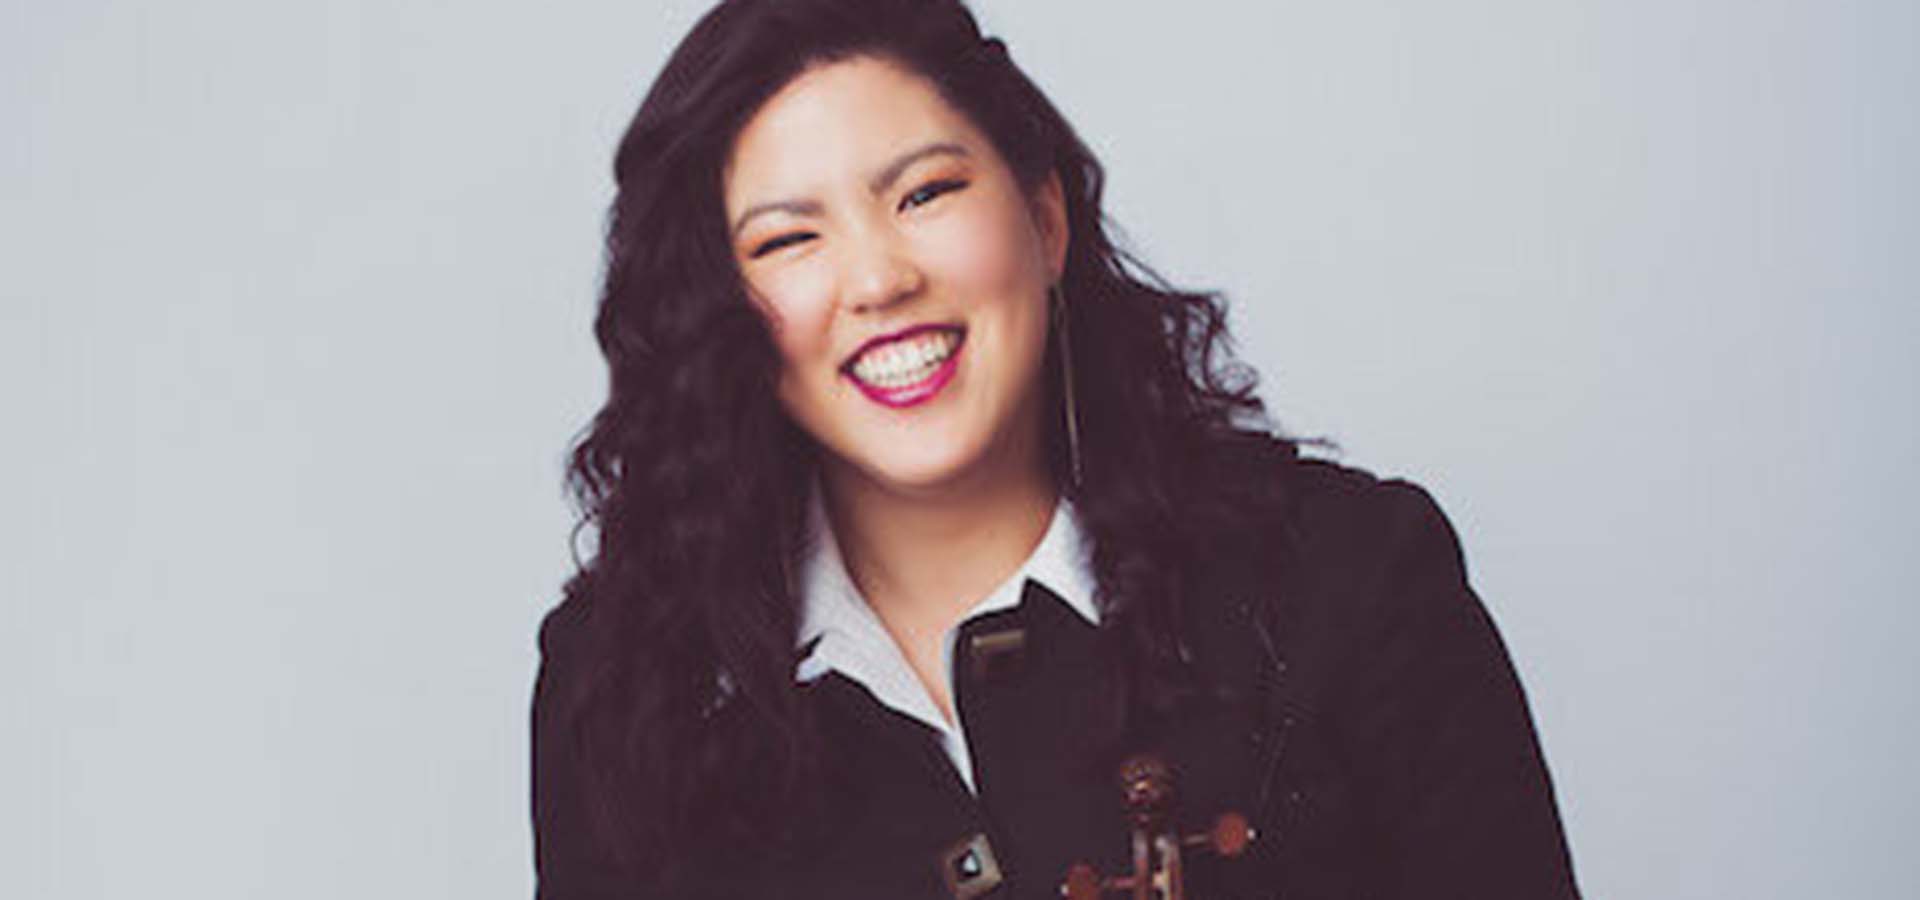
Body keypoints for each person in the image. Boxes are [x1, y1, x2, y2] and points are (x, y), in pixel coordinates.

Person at [531, 0, 1580, 897]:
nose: (879, 279)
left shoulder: (1350, 576)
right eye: (788, 240)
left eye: (925, 193)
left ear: (1045, 220)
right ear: (721, 312)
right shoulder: (623, 684)